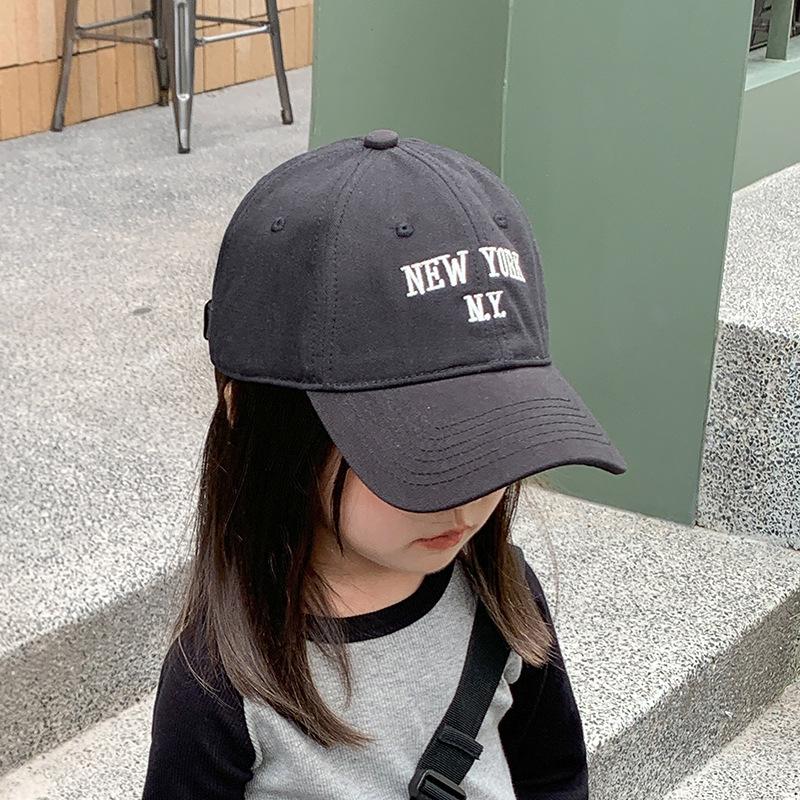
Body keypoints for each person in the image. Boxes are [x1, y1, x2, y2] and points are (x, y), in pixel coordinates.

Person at [141, 129, 628, 800]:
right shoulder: (222, 679)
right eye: (421, 453)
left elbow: (554, 776)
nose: (469, 501)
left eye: (494, 443)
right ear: (252, 417)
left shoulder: (501, 597)